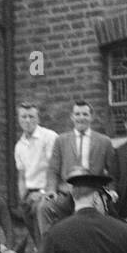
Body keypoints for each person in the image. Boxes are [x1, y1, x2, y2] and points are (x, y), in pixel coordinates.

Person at [41, 100, 116, 234]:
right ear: (72, 117)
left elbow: (113, 171)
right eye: (77, 114)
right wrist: (51, 189)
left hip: (92, 192)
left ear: (91, 117)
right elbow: (53, 169)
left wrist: (112, 190)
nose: (81, 118)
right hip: (67, 192)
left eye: (85, 114)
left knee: (99, 212)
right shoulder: (61, 140)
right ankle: (48, 248)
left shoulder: (104, 141)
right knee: (44, 207)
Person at [14, 102, 58, 247]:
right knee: (36, 239)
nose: (27, 120)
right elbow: (21, 174)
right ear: (19, 119)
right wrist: (23, 197)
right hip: (29, 196)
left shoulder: (49, 137)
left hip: (47, 193)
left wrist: (43, 192)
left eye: (31, 116)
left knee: (45, 236)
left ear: (38, 118)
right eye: (24, 116)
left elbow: (54, 168)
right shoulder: (19, 145)